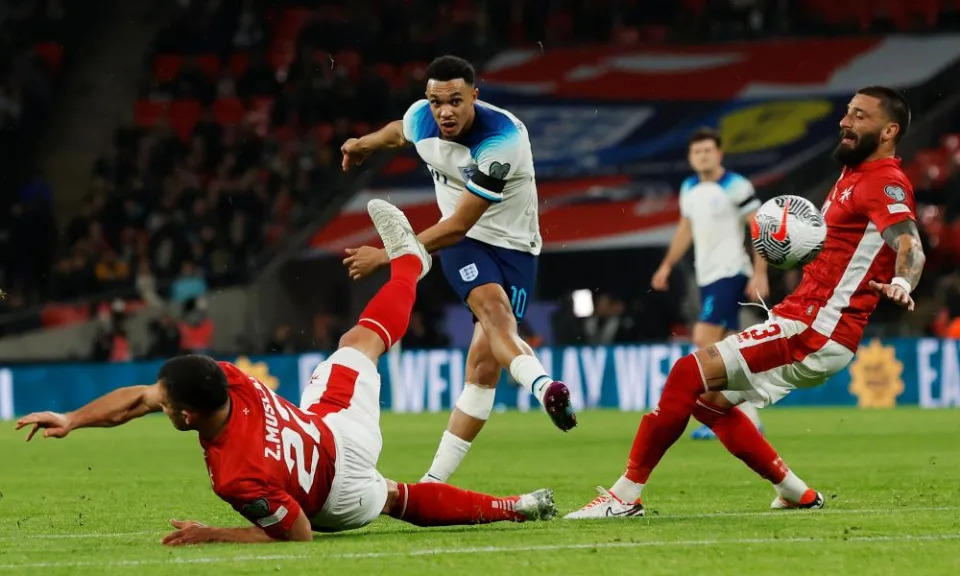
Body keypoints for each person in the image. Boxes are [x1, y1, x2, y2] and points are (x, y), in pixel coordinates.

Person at [16, 200, 557, 545]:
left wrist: (214, 535)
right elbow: (139, 398)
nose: (158, 405)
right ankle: (410, 266)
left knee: (393, 498)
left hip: (334, 503)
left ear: (187, 414)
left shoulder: (235, 474)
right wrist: (73, 418)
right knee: (358, 344)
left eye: (166, 404)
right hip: (338, 432)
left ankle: (518, 506)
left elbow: (297, 534)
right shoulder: (229, 377)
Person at [565, 86, 924, 518]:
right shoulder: (853, 175)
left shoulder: (885, 180)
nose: (845, 122)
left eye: (860, 116)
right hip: (807, 319)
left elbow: (908, 242)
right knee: (708, 402)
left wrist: (903, 280)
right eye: (847, 113)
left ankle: (624, 497)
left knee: (686, 372)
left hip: (817, 326)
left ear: (889, 131)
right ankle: (796, 492)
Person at [339, 55, 576, 487]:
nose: (444, 111)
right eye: (435, 101)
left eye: (454, 100)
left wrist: (386, 255)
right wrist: (361, 143)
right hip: (461, 244)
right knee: (495, 314)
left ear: (474, 97)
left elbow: (461, 219)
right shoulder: (422, 118)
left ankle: (432, 484)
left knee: (483, 371)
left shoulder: (503, 141)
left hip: (515, 246)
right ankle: (544, 387)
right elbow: (397, 133)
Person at [651, 127, 768, 440]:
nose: (702, 156)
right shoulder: (689, 188)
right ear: (691, 157)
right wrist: (667, 264)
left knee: (705, 338)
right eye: (696, 151)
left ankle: (721, 414)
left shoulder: (736, 185)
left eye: (707, 150)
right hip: (706, 275)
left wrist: (760, 272)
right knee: (726, 347)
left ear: (719, 154)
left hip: (730, 271)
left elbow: (757, 228)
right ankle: (748, 415)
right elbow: (684, 230)